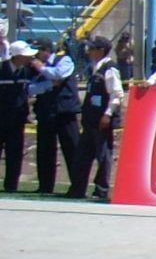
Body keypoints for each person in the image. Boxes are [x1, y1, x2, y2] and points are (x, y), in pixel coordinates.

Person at [68, 35, 123, 202]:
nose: (89, 51)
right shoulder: (94, 68)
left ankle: (101, 190)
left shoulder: (109, 69)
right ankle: (77, 188)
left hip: (101, 120)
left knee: (103, 156)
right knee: (83, 155)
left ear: (101, 50)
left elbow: (117, 94)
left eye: (92, 48)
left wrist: (108, 114)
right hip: (90, 120)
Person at [28, 36, 80, 194]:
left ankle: (77, 185)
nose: (34, 56)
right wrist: (49, 84)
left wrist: (43, 69)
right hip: (45, 111)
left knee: (72, 148)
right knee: (44, 150)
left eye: (37, 51)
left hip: (65, 111)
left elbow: (59, 74)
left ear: (46, 50)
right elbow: (30, 88)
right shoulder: (32, 68)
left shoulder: (64, 60)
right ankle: (45, 185)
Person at [0, 40, 33, 192]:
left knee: (15, 153)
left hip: (17, 120)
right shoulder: (2, 69)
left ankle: (11, 185)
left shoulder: (25, 71)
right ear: (17, 56)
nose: (28, 58)